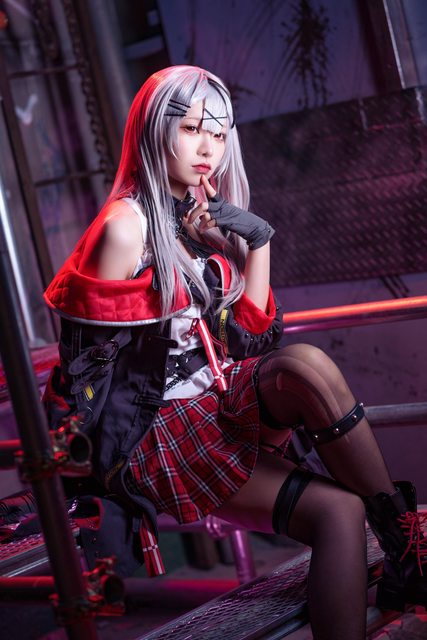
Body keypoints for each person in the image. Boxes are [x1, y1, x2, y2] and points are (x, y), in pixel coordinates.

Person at [40, 65, 426, 639]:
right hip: (157, 428)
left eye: (219, 134)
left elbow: (251, 339)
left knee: (305, 365)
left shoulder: (193, 216)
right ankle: (408, 551)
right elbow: (85, 374)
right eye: (193, 129)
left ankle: (403, 543)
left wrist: (257, 241)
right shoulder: (124, 228)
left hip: (217, 400)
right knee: (339, 511)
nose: (208, 149)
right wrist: (92, 478)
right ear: (153, 128)